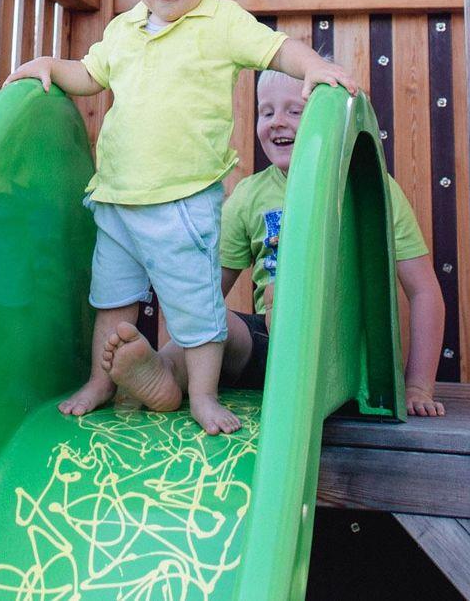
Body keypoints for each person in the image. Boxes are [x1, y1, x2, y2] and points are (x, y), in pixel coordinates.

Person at [6, 0, 359, 435]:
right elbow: (89, 75)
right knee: (111, 300)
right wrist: (52, 65)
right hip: (117, 198)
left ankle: (202, 396)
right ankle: (102, 381)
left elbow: (276, 49)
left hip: (184, 201)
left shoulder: (221, 23)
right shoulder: (123, 30)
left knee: (194, 305)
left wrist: (312, 65)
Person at [104, 69, 448, 418]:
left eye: (295, 111)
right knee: (211, 316)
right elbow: (206, 293)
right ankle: (166, 372)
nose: (277, 122)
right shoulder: (250, 195)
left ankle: (280, 319)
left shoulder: (370, 191)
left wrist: (418, 386)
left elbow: (423, 291)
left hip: (342, 354)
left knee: (281, 296)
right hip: (270, 347)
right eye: (266, 112)